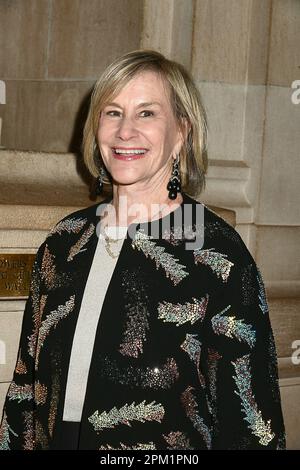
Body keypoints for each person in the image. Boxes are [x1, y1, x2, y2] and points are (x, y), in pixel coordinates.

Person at [0, 49, 285, 450]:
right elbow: (24, 392)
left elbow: (254, 426)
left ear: (181, 133)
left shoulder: (217, 253)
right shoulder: (65, 241)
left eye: (146, 113)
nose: (124, 131)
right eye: (112, 112)